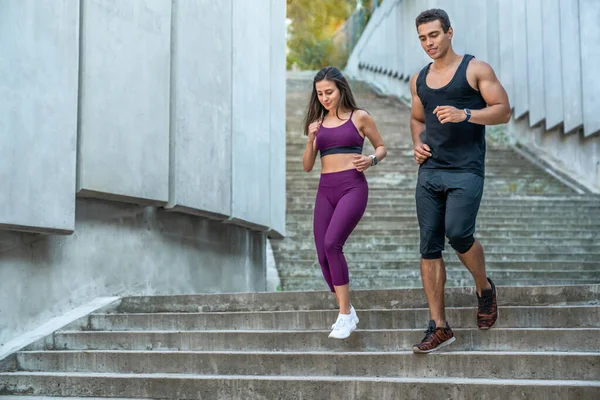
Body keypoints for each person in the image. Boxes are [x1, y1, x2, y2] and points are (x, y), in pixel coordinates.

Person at [409, 9, 511, 353]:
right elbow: (415, 117)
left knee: (458, 233)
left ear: (449, 32)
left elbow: (503, 110)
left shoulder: (475, 69)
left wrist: (465, 113)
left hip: (466, 169)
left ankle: (484, 289)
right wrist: (417, 143)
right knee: (428, 245)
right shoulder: (418, 79)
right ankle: (439, 326)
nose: (428, 43)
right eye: (422, 38)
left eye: (434, 35)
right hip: (430, 172)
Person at [302, 66, 387, 339]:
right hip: (325, 190)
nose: (325, 98)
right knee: (322, 255)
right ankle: (347, 309)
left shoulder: (359, 117)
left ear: (341, 89)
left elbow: (382, 147)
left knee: (332, 244)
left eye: (329, 92)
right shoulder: (317, 122)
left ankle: (343, 315)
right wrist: (311, 137)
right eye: (320, 94)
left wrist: (371, 159)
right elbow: (306, 166)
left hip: (352, 187)